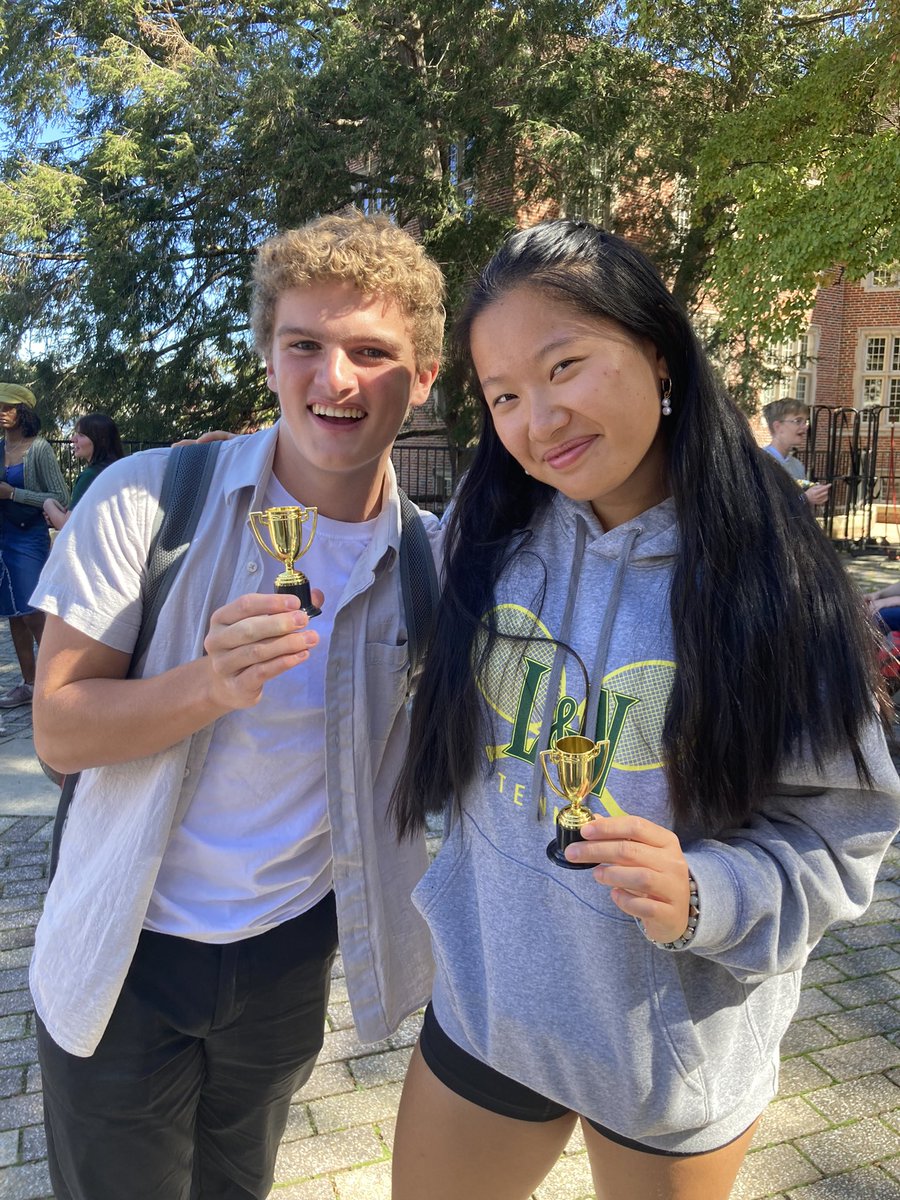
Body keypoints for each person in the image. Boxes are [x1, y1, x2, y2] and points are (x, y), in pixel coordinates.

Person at [388, 221, 900, 1200]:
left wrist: (706, 892)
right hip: (489, 1005)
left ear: (657, 353)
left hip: (669, 1046)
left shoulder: (772, 574)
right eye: (503, 395)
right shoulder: (487, 535)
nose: (536, 419)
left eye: (564, 365)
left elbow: (842, 834)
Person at [29, 211, 444, 1200]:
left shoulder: (432, 557)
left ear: (423, 377)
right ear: (268, 357)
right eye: (304, 344)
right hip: (126, 955)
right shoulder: (143, 501)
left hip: (289, 958)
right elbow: (57, 731)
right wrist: (204, 686)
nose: (332, 379)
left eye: (372, 352)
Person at [0, 383, 68, 708]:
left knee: (32, 611)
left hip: (28, 536)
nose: (2, 412)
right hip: (2, 537)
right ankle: (29, 683)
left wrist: (13, 494)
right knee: (12, 612)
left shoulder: (38, 449)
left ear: (23, 411)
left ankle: (59, 681)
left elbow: (61, 498)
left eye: (8, 406)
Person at [43, 412, 125, 530]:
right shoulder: (119, 470)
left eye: (81, 435)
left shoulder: (90, 476)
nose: (73, 439)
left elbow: (67, 525)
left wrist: (48, 504)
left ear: (100, 440)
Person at [761, 398, 830, 506]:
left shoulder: (798, 466)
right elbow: (764, 505)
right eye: (798, 421)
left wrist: (815, 496)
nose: (805, 427)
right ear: (778, 427)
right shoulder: (760, 461)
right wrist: (805, 498)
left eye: (805, 421)